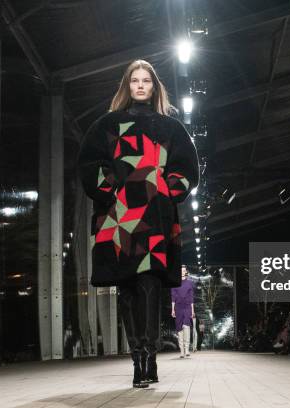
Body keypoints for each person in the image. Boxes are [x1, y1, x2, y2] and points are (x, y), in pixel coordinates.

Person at [77, 59, 199, 388]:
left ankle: (148, 356)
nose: (141, 85)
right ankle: (138, 358)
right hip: (118, 217)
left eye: (146, 80)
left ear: (154, 86)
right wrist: (113, 186)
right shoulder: (107, 125)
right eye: (135, 80)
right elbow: (89, 164)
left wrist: (166, 190)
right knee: (128, 289)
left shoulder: (171, 128)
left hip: (154, 217)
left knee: (149, 286)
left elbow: (187, 167)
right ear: (127, 86)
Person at [171, 265, 195, 358]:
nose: (182, 272)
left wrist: (192, 311)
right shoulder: (174, 283)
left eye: (184, 270)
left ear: (186, 272)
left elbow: (191, 297)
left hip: (187, 307)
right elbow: (173, 296)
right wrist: (172, 309)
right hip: (178, 307)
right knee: (179, 329)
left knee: (186, 326)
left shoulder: (189, 283)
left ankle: (187, 349)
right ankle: (181, 351)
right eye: (180, 270)